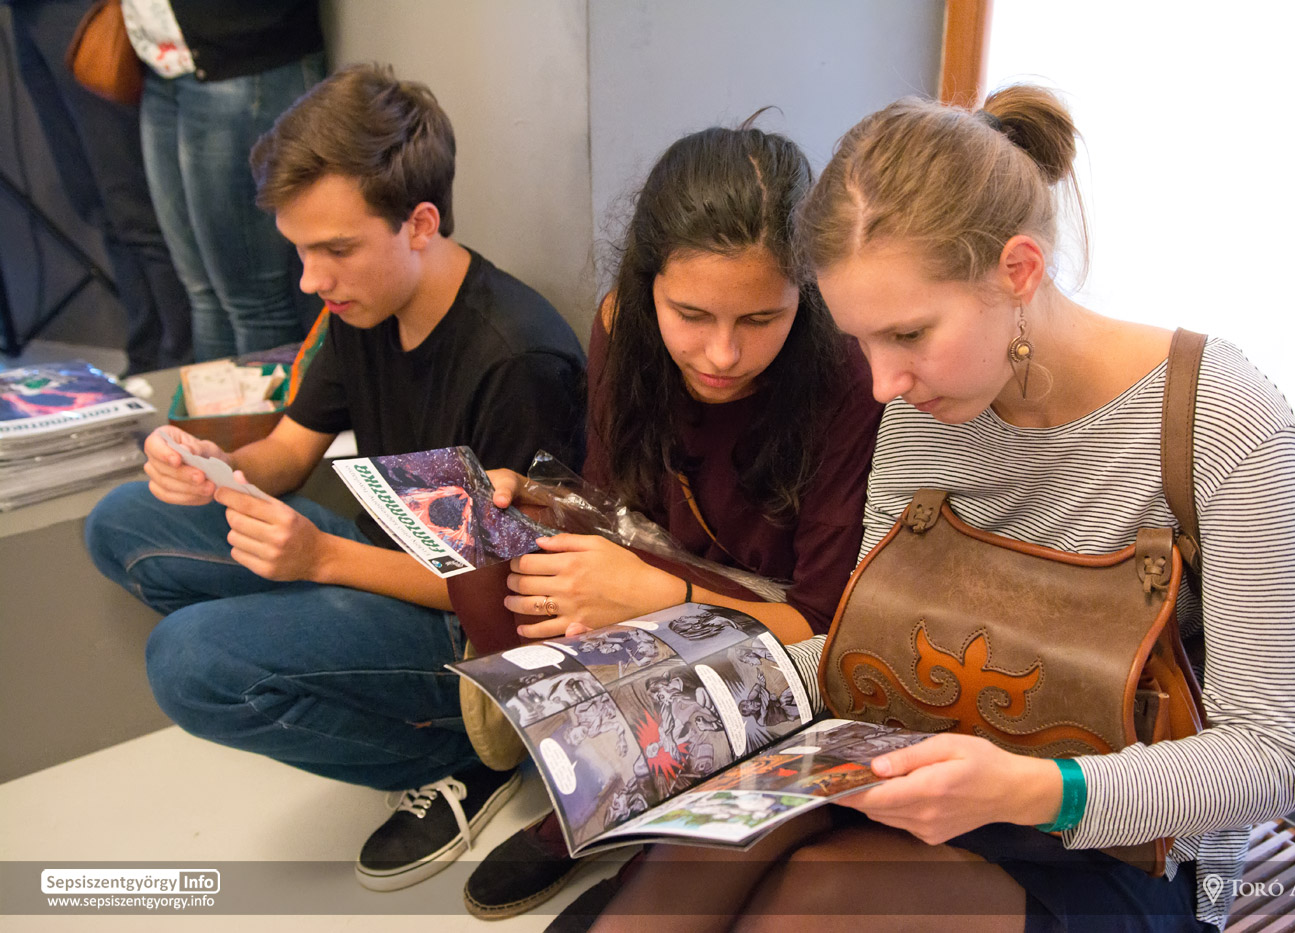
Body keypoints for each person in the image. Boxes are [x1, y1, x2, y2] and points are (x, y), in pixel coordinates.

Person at [592, 86, 1295, 932]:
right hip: (928, 762)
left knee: (818, 894)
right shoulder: (920, 407)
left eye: (907, 335)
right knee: (694, 861)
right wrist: (700, 695)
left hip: (1115, 835)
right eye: (861, 339)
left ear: (1019, 271)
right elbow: (869, 646)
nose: (881, 383)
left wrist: (1031, 788)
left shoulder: (1221, 419)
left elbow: (1275, 753)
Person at [83, 64, 586, 893]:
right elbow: (286, 453)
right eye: (301, 250)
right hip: (377, 556)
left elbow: (509, 600)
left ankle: (459, 753)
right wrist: (206, 467)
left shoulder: (517, 358)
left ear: (419, 223)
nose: (311, 279)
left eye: (335, 250)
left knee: (185, 660)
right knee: (122, 522)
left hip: (473, 628)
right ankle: (334, 669)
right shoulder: (365, 302)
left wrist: (319, 560)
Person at [460, 120, 885, 919]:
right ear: (647, 283)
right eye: (690, 313)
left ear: (808, 295)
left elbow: (826, 624)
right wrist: (542, 503)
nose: (722, 353)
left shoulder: (847, 373)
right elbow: (612, 503)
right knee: (489, 552)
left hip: (783, 623)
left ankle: (647, 819)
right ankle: (598, 788)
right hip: (660, 563)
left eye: (760, 319)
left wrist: (663, 598)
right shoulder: (622, 322)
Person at [122, 0, 326, 359]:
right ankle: (222, 399)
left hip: (240, 56)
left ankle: (272, 398)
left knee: (255, 303)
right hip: (164, 64)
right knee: (203, 293)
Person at [7, 0, 191, 371]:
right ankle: (145, 357)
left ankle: (179, 361)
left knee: (133, 207)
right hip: (27, 15)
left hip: (80, 12)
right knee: (99, 206)